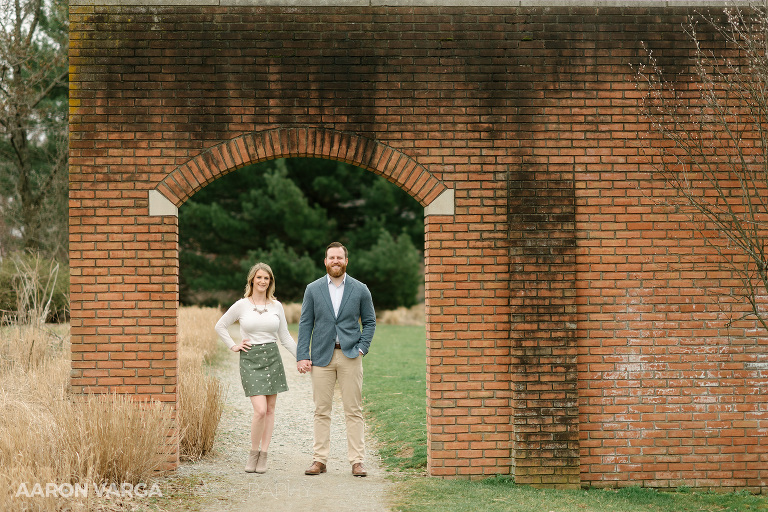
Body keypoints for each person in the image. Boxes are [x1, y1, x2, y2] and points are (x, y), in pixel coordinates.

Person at [296, 242, 376, 477]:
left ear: (346, 261)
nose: (336, 261)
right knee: (321, 410)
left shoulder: (360, 289)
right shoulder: (313, 289)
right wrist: (303, 355)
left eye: (340, 257)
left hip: (351, 355)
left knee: (354, 410)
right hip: (321, 357)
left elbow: (370, 322)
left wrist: (362, 348)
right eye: (331, 258)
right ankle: (319, 460)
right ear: (325, 261)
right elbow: (305, 323)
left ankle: (357, 461)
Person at [215, 262, 297, 474]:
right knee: (259, 410)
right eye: (259, 277)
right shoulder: (241, 305)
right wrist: (234, 345)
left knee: (270, 410)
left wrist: (303, 358)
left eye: (266, 278)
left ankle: (264, 455)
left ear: (271, 282)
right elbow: (220, 326)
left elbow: (285, 337)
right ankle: (253, 453)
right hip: (250, 359)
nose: (262, 281)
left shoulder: (276, 306)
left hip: (272, 357)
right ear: (252, 279)